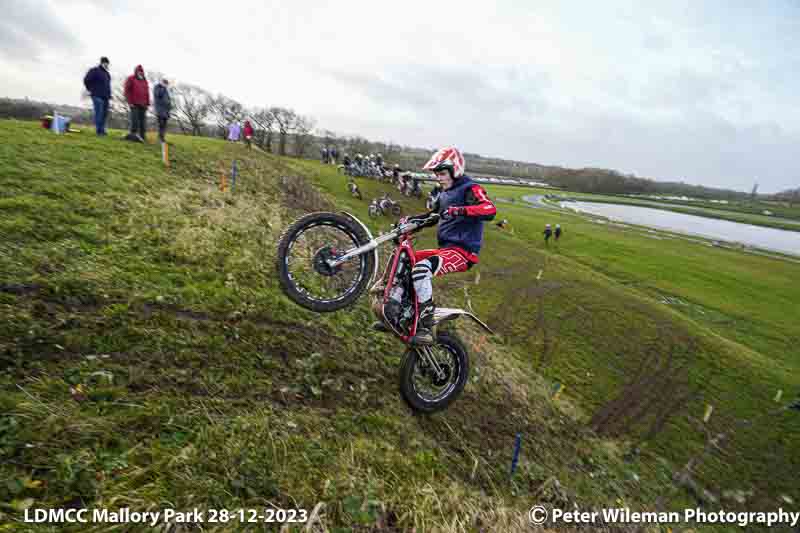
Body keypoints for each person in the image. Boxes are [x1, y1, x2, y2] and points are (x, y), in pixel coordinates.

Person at [377, 147, 496, 345]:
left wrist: (460, 211)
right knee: (407, 260)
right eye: (436, 174)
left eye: (441, 173)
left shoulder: (470, 188)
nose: (438, 178)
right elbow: (432, 217)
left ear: (455, 169)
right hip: (446, 250)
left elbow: (490, 209)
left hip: (463, 252)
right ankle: (397, 315)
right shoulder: (444, 194)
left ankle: (425, 328)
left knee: (422, 269)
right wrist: (408, 222)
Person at [83, 56, 111, 136]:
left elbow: (108, 85)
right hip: (96, 95)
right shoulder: (94, 70)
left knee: (104, 114)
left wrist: (109, 95)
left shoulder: (107, 74)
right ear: (102, 63)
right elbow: (86, 80)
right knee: (99, 112)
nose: (106, 65)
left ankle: (102, 130)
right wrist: (91, 89)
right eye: (105, 63)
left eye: (107, 64)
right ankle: (99, 131)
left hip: (106, 97)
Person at [124, 65, 149, 142]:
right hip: (134, 103)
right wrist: (130, 102)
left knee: (143, 121)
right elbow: (127, 90)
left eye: (141, 71)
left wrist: (147, 103)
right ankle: (133, 135)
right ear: (136, 71)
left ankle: (142, 136)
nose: (140, 73)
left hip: (143, 104)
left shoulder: (145, 80)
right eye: (139, 71)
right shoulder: (131, 78)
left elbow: (147, 93)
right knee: (134, 120)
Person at [153, 77, 172, 143]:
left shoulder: (166, 90)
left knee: (164, 125)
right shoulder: (157, 87)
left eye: (167, 84)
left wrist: (169, 108)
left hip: (166, 111)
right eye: (165, 83)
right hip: (160, 110)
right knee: (160, 124)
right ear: (162, 82)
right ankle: (159, 138)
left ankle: (162, 138)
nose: (166, 85)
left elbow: (168, 100)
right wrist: (163, 88)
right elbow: (158, 94)